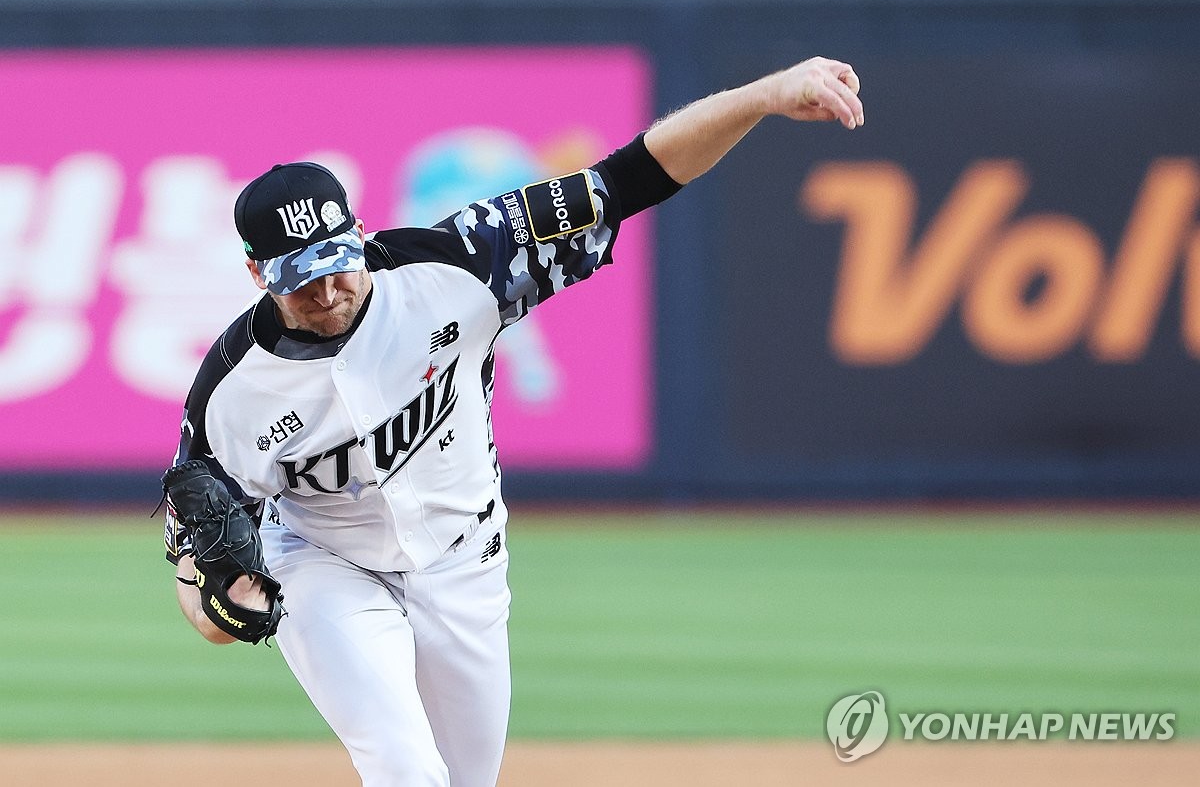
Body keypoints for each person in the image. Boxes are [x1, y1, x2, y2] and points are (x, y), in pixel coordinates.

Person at [162, 55, 864, 787]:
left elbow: (631, 179)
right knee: (404, 770)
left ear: (359, 230)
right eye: (301, 278)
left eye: (337, 260)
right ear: (256, 273)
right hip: (326, 565)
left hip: (464, 562)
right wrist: (213, 603)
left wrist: (764, 94)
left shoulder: (459, 264)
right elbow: (198, 549)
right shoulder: (230, 392)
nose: (329, 289)